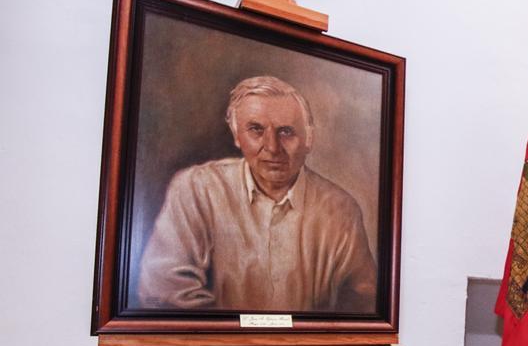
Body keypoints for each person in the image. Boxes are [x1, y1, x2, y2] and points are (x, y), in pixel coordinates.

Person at [137, 75, 377, 312]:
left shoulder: (340, 208)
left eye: (286, 132)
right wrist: (239, 342)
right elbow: (164, 289)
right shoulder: (197, 188)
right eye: (256, 130)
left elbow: (363, 304)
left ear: (309, 139)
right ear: (236, 136)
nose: (272, 147)